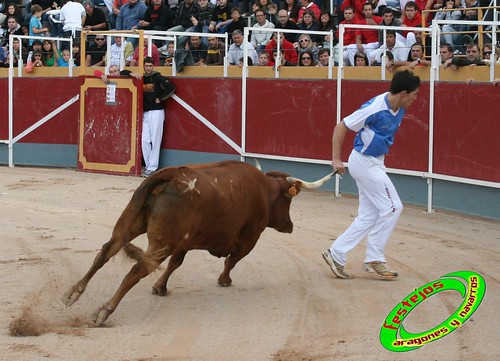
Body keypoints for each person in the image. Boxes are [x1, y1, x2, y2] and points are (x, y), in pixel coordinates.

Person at [322, 70, 421, 280]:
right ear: (403, 93)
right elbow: (341, 127)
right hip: (364, 163)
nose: (416, 98)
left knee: (369, 216)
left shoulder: (399, 105)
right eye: (414, 93)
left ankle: (336, 254)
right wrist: (336, 158)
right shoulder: (374, 108)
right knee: (393, 206)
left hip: (375, 161)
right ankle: (374, 258)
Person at [130, 56, 175, 177]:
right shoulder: (142, 77)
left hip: (157, 112)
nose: (148, 68)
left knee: (155, 140)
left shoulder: (158, 77)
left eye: (150, 66)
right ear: (144, 66)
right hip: (146, 112)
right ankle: (149, 165)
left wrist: (160, 98)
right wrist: (132, 73)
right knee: (144, 140)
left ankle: (152, 167)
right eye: (146, 66)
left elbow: (171, 87)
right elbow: (123, 73)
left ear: (153, 66)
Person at [344, 2, 381, 66]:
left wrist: (374, 25)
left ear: (372, 10)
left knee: (369, 46)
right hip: (366, 45)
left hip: (377, 43)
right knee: (350, 47)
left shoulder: (379, 19)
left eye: (369, 10)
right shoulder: (360, 22)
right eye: (366, 10)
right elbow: (358, 37)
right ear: (363, 11)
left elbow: (384, 33)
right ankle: (355, 68)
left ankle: (370, 68)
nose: (368, 12)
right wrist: (359, 44)